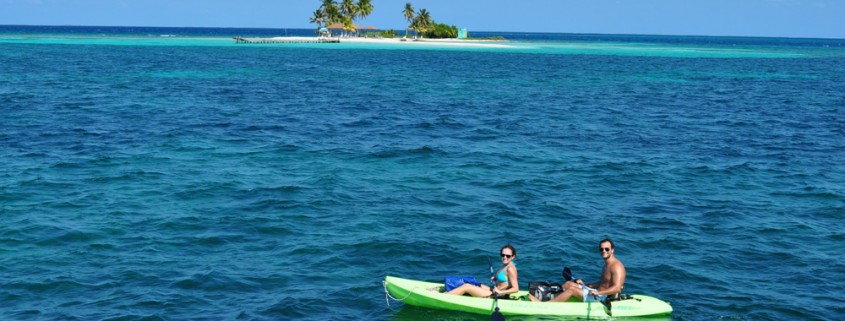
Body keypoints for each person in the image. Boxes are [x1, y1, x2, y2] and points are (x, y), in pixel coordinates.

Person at [531, 238, 625, 302]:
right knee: (569, 284)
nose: (604, 251)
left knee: (572, 290)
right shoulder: (606, 265)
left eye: (607, 249)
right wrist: (585, 285)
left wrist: (598, 292)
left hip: (602, 297)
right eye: (601, 249)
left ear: (612, 250)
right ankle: (551, 296)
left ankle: (547, 305)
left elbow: (616, 287)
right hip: (597, 291)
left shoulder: (617, 267)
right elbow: (602, 282)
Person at [447, 244, 520, 298]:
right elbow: (505, 280)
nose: (504, 257)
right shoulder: (506, 265)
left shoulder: (511, 268)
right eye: (503, 255)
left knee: (467, 286)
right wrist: (496, 278)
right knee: (474, 283)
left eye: (508, 256)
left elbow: (516, 289)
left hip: (496, 295)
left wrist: (501, 292)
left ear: (513, 257)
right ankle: (449, 290)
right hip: (494, 290)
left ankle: (445, 296)